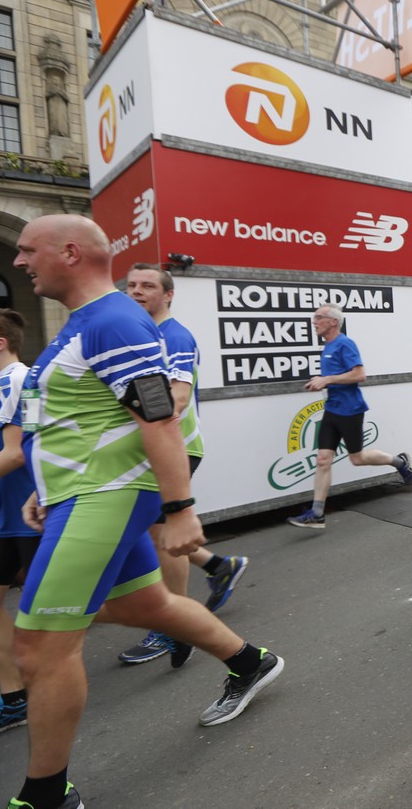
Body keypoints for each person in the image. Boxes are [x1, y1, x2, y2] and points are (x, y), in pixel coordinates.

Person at [10, 215, 285, 809]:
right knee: (146, 605)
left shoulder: (111, 321)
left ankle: (46, 796)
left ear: (70, 252)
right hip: (81, 493)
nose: (18, 261)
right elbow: (72, 418)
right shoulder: (85, 321)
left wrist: (181, 509)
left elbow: (159, 416)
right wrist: (43, 485)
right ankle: (250, 662)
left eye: (28, 249)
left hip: (103, 496)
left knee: (38, 648)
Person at [114, 264, 251, 667]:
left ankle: (174, 627)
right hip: (151, 448)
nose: (137, 291)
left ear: (169, 295)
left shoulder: (173, 335)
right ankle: (218, 565)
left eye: (147, 286)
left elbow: (174, 400)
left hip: (175, 447)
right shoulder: (143, 335)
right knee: (155, 530)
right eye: (131, 285)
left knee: (161, 535)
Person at [288, 303, 412, 528]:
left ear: (333, 322)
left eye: (319, 317)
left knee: (357, 458)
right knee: (323, 459)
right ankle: (317, 513)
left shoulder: (345, 343)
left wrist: (326, 380)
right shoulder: (327, 346)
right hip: (332, 410)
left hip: (350, 410)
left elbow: (359, 374)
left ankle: (399, 462)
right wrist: (321, 381)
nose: (314, 321)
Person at [0, 309, 38, 744]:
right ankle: (15, 698)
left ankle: (173, 624)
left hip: (29, 517)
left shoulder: (15, 380)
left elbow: (16, 454)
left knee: (109, 606)